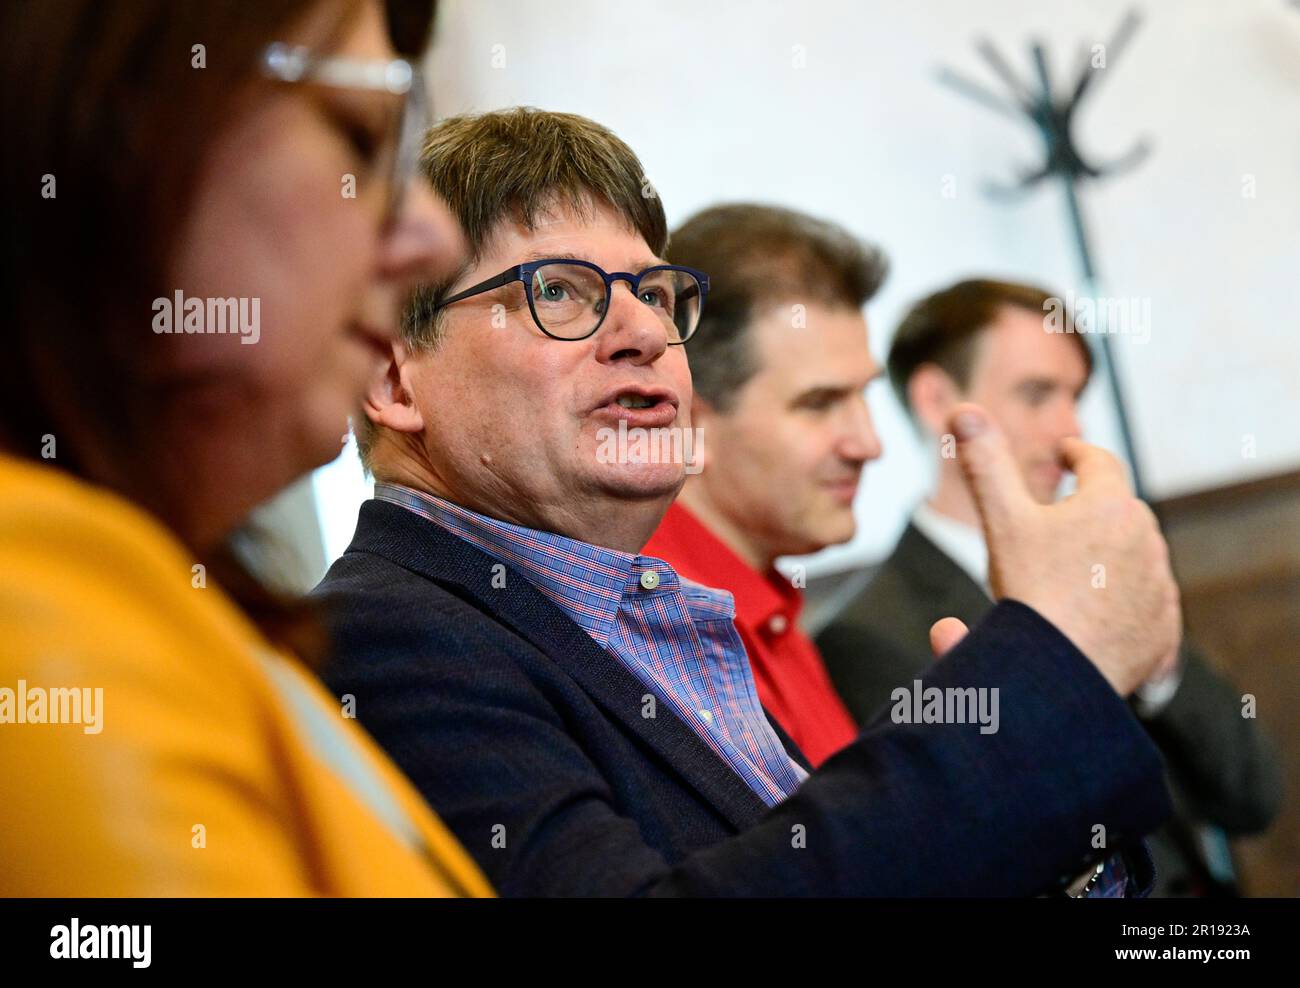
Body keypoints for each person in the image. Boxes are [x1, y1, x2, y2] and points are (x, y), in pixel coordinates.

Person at [316, 107, 1180, 896]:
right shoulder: (379, 638)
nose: (647, 332)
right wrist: (1050, 676)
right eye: (560, 291)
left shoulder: (649, 615)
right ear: (394, 378)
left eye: (653, 293)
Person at [0, 0, 490, 896]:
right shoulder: (33, 584)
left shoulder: (175, 596)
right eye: (359, 134)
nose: (431, 238)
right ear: (110, 121)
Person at [817, 278, 1284, 896]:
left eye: (1075, 398)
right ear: (936, 400)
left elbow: (1253, 795)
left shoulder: (1102, 566)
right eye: (1036, 395)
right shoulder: (868, 634)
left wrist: (1160, 663)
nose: (1069, 430)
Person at [642, 203, 885, 766]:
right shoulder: (666, 629)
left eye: (863, 395)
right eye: (820, 404)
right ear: (692, 423)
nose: (868, 444)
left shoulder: (768, 605)